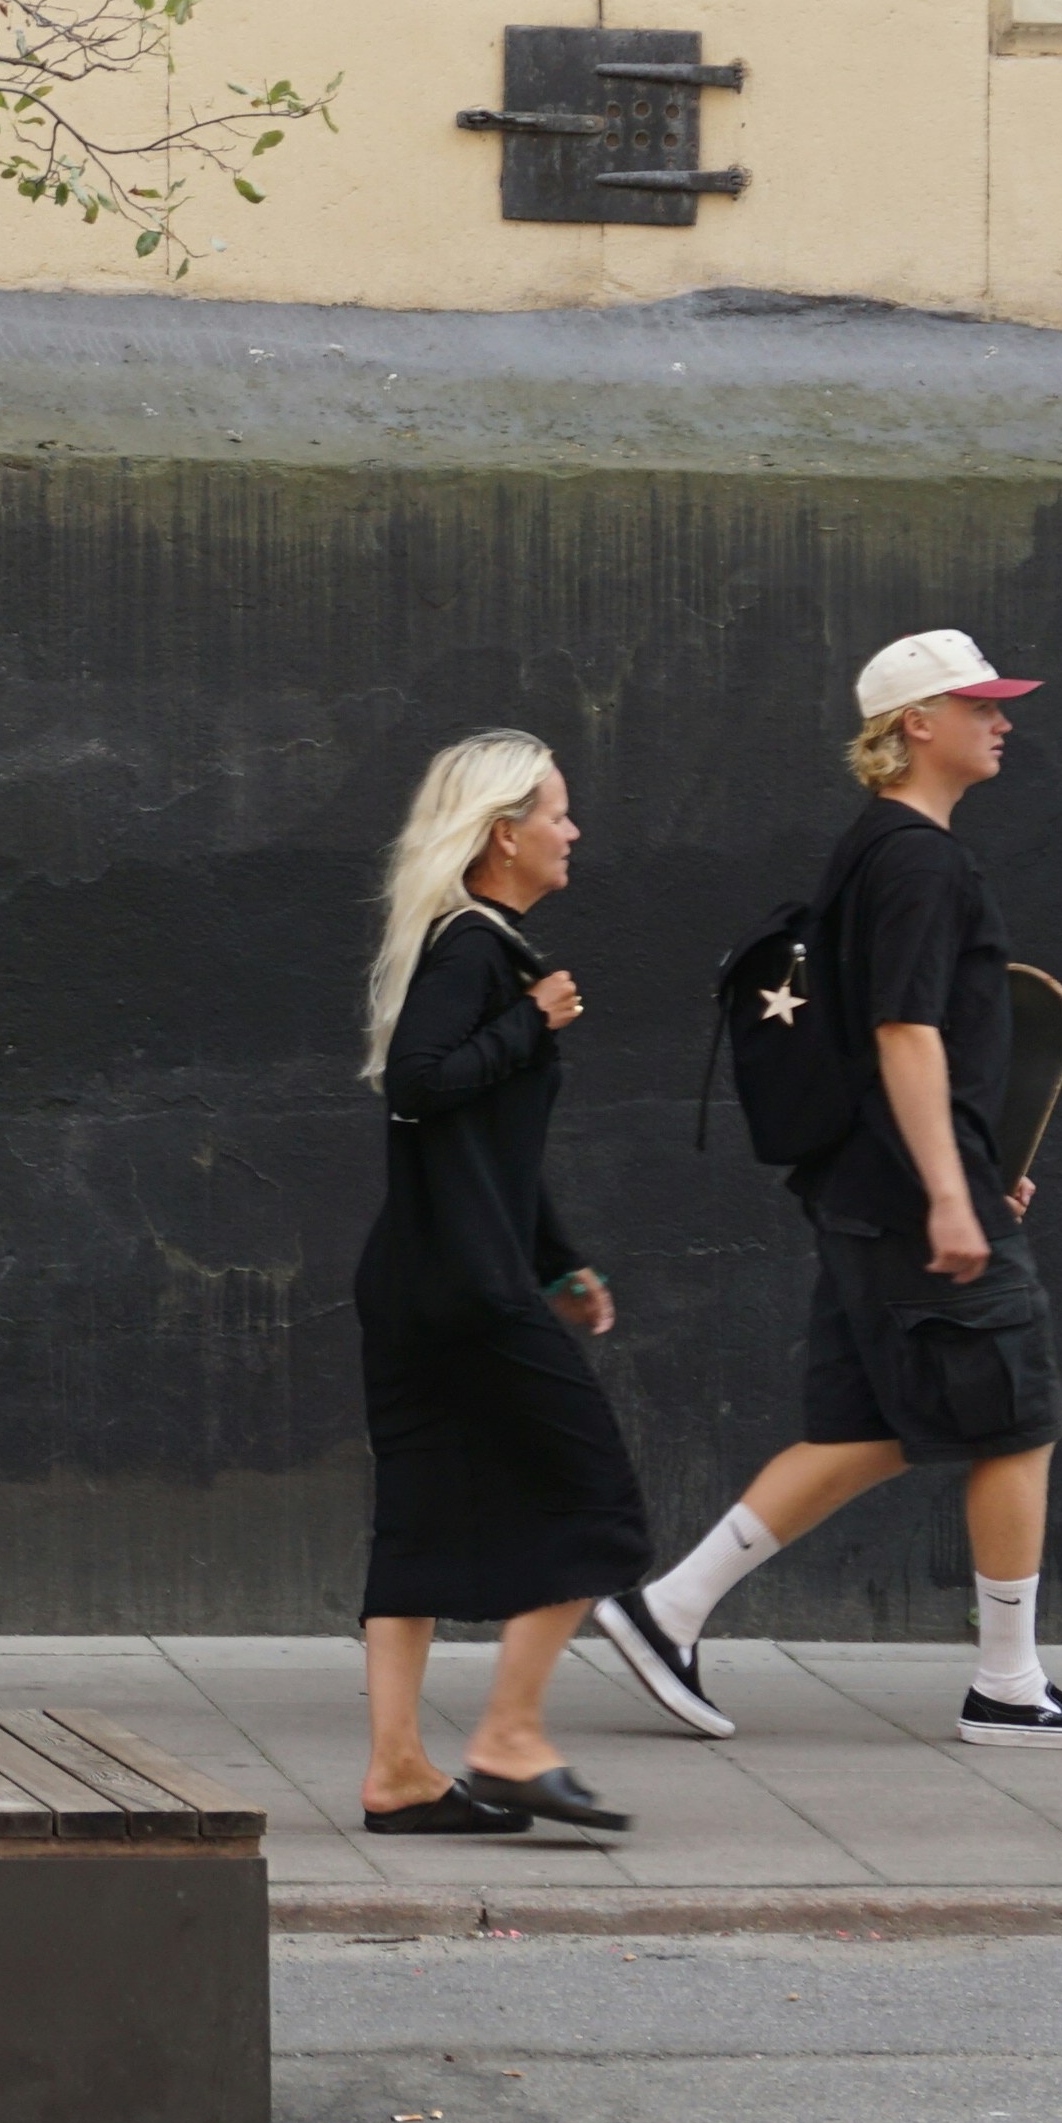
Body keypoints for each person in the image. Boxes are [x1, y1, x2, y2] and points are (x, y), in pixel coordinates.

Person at [594, 631, 1062, 1752]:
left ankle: (667, 1611)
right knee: (1019, 1419)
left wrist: (980, 1167)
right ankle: (1008, 1683)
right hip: (908, 1197)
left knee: (875, 1424)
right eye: (979, 703)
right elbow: (904, 1032)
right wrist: (954, 1195)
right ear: (915, 726)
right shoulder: (918, 861)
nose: (1004, 720)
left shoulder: (872, 850)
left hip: (867, 1186)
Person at [348, 730, 654, 1836]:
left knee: (419, 1523)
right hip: (465, 1290)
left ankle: (398, 1772)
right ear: (502, 834)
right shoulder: (478, 952)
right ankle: (509, 1735)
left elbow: (488, 1151)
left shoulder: (469, 945)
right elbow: (422, 1088)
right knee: (598, 1500)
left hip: (424, 1277)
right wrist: (531, 1024)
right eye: (559, 813)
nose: (574, 831)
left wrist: (558, 1259)